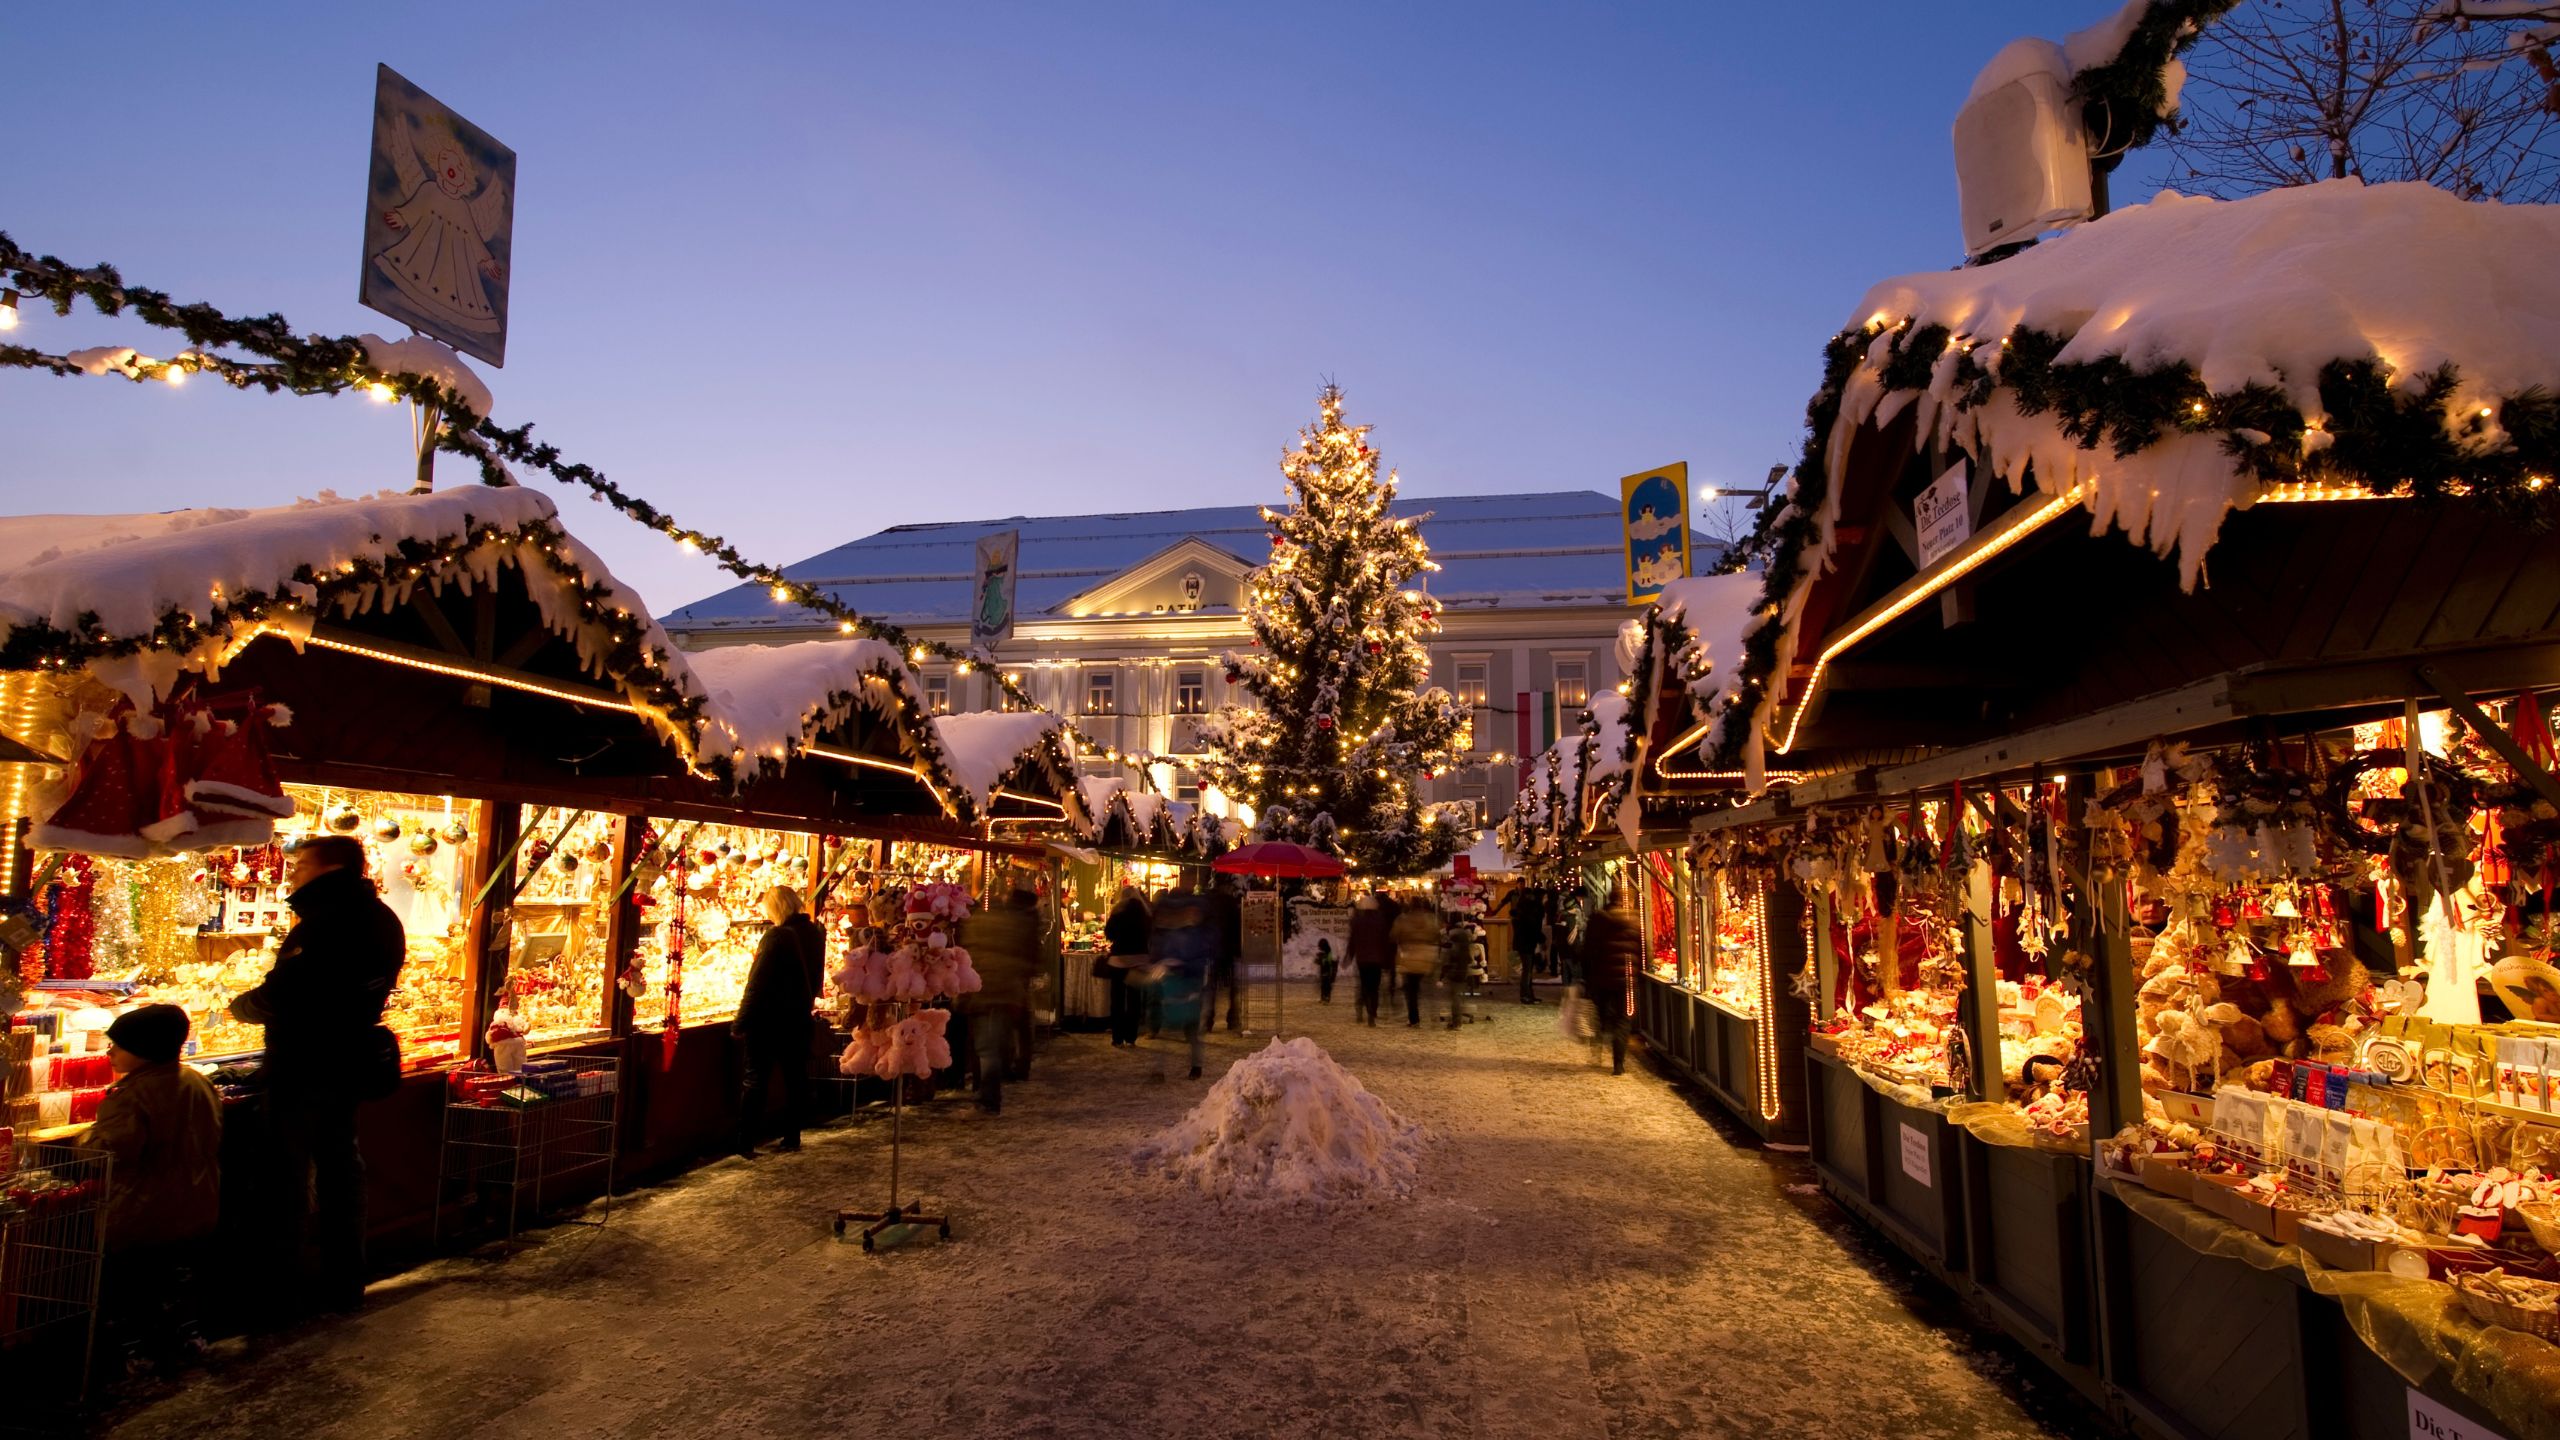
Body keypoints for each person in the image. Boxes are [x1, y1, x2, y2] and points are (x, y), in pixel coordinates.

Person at [228, 833, 404, 1319]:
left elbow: (288, 990)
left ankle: (278, 1291)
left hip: (307, 1062)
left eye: (302, 864)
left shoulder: (328, 921)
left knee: (286, 1174)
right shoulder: (379, 918)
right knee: (340, 1165)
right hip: (347, 1059)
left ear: (327, 868)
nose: (295, 872)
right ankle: (343, 1280)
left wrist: (242, 1007)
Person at [85, 1004, 220, 1375]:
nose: (109, 1052)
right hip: (196, 1201)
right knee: (178, 1277)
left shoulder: (131, 1096)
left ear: (142, 1049)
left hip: (143, 1210)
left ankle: (137, 1352)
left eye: (117, 1045)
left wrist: (84, 1142)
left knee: (130, 1285)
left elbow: (111, 1152)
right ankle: (188, 1336)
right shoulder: (196, 1082)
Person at [734, 886, 815, 1156]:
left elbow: (757, 983)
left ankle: (745, 1141)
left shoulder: (775, 937)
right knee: (795, 1079)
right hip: (799, 1019)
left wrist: (741, 1021)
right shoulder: (813, 933)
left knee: (755, 1080)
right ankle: (792, 1135)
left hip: (768, 1021)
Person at [961, 886, 1040, 1113]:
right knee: (995, 1043)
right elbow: (1030, 956)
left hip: (980, 989)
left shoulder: (976, 924)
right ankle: (992, 1089)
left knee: (984, 1046)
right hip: (1008, 990)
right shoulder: (1014, 926)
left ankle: (987, 1093)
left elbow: (968, 955)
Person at [1148, 882, 1218, 1079]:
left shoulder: (1167, 918)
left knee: (1171, 1023)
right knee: (1191, 1027)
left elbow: (1157, 943)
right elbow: (1208, 944)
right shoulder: (1197, 916)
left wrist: (1158, 962)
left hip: (1175, 973)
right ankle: (1195, 1066)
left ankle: (1160, 1068)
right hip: (1189, 974)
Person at [1579, 881, 1641, 1075]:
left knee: (1600, 1015)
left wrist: (1587, 974)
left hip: (1601, 977)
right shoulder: (1635, 921)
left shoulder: (1597, 918)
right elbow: (1642, 949)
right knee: (1623, 1020)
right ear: (1628, 901)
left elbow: (1587, 949)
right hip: (1627, 980)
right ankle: (1618, 1064)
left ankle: (1596, 1050)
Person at [1103, 884, 1152, 1047]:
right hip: (1138, 960)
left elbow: (1109, 933)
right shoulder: (1145, 913)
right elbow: (1150, 933)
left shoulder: (1118, 911)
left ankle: (1117, 1038)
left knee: (1117, 999)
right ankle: (1131, 1036)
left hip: (1119, 961)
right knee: (1134, 1000)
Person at [1391, 898, 1441, 1028]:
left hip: (1410, 958)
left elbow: (1394, 936)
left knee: (1411, 991)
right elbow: (1437, 935)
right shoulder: (1431, 919)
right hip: (1428, 957)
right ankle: (1434, 1017)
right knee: (1431, 990)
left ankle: (1414, 1019)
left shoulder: (1403, 919)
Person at [1495, 884, 1547, 1004]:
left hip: (1524, 942)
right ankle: (1525, 996)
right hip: (1527, 943)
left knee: (1527, 970)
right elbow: (1533, 928)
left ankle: (1529, 995)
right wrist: (1541, 938)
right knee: (1527, 970)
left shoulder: (1522, 909)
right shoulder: (1532, 910)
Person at [1348, 893, 1395, 1026]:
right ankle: (1372, 1013)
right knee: (1374, 988)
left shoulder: (1357, 921)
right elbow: (1386, 942)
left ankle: (1360, 1010)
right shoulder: (1380, 922)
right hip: (1377, 960)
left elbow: (1353, 940)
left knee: (1363, 985)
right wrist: (1388, 959)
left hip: (1362, 959)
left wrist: (1350, 955)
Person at [1205, 874, 1244, 1031]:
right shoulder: (1231, 904)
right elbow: (1237, 928)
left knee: (1212, 988)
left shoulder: (1211, 904)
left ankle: (1209, 1020)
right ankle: (1232, 1018)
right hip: (1228, 951)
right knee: (1233, 988)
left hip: (1215, 951)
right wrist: (1238, 949)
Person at [1313, 937, 1339, 1005]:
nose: (1319, 949)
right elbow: (1321, 962)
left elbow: (1328, 962)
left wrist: (1320, 959)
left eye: (1320, 947)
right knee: (1323, 985)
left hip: (1328, 972)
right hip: (1324, 972)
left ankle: (1327, 997)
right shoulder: (1325, 953)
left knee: (1327, 985)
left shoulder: (1328, 953)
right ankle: (1323, 997)